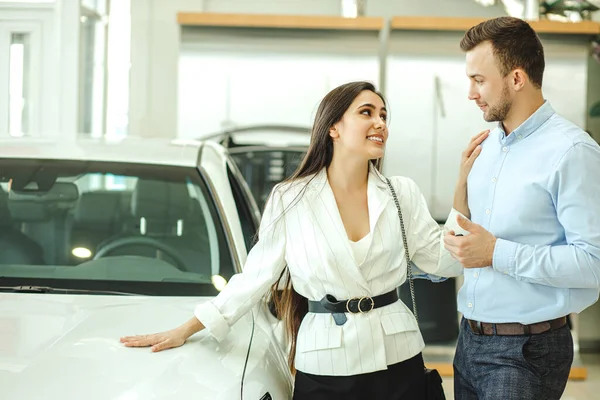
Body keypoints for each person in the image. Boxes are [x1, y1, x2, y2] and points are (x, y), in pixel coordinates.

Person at [121, 81, 485, 399]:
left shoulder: (399, 192)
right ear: (334, 128)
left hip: (398, 355)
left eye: (384, 115)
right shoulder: (291, 197)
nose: (380, 123)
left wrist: (461, 190)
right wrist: (187, 329)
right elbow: (255, 279)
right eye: (367, 112)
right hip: (326, 362)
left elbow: (446, 260)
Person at [443, 16, 600, 400]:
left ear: (516, 78)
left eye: (479, 80)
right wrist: (462, 185)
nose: (470, 93)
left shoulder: (573, 151)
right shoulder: (485, 146)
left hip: (526, 351)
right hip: (470, 342)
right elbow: (470, 238)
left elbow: (593, 262)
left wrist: (498, 253)